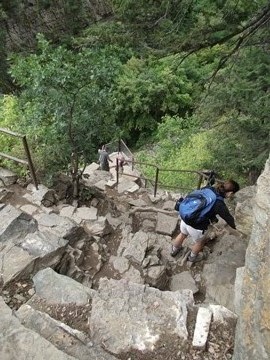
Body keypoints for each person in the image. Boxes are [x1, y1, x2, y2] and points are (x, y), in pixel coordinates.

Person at [170, 179, 240, 263]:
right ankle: (193, 257)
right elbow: (229, 219)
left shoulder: (209, 188)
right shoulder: (219, 203)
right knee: (200, 242)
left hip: (186, 216)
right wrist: (239, 228)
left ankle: (174, 250)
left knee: (182, 234)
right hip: (196, 227)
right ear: (230, 193)